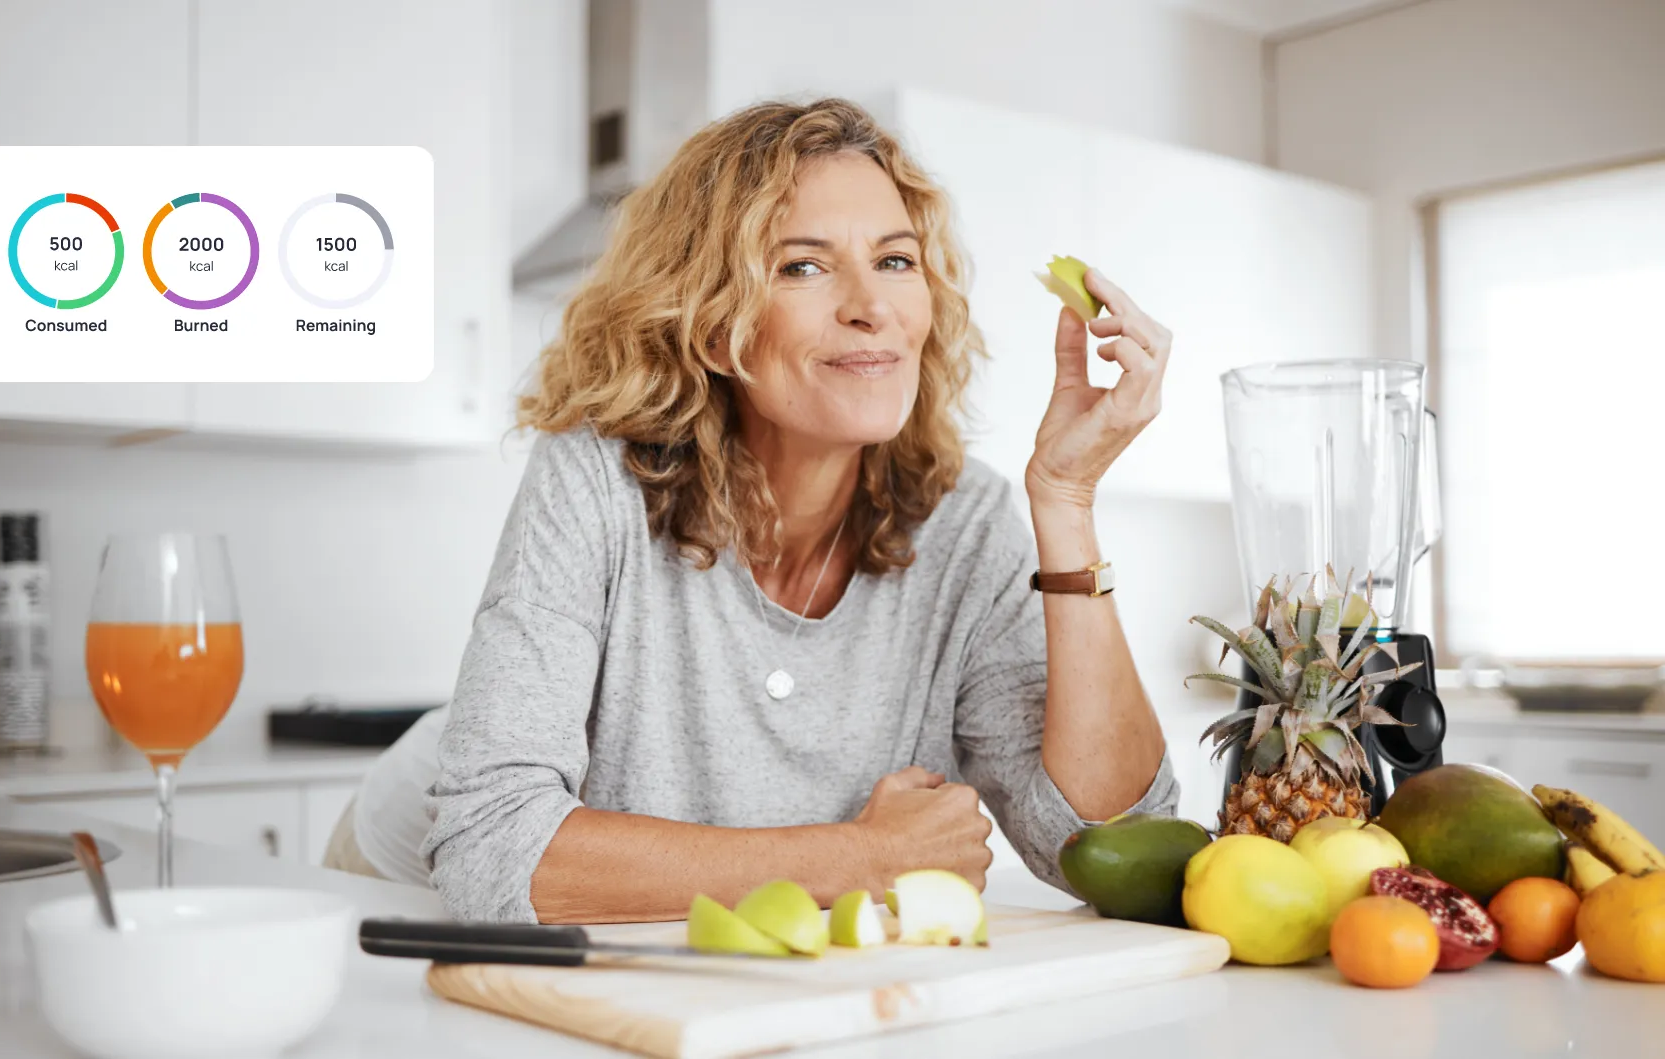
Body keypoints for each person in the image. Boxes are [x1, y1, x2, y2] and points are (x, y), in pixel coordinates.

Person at [336, 97, 1177, 923]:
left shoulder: (966, 525)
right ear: (711, 325)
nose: (872, 306)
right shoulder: (595, 477)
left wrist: (1066, 501)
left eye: (895, 260)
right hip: (405, 883)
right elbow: (491, 849)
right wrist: (859, 858)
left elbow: (1114, 847)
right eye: (802, 266)